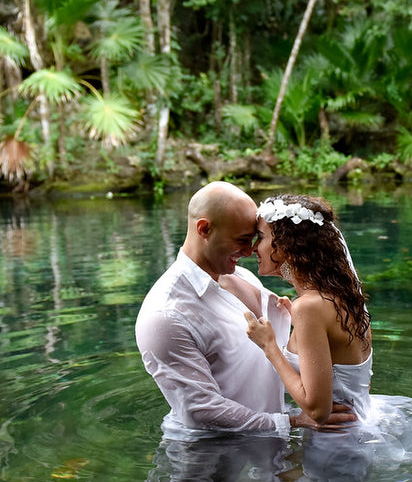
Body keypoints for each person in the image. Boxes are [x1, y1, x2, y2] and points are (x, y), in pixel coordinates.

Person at [242, 194, 412, 482]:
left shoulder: (310, 308)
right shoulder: (343, 296)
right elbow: (346, 364)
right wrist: (297, 320)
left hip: (336, 446)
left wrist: (270, 347)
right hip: (359, 428)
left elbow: (318, 410)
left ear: (289, 244)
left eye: (262, 238)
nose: (254, 248)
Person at [135, 181, 353, 439]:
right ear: (204, 229)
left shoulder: (245, 277)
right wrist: (292, 422)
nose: (250, 251)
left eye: (254, 239)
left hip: (270, 447)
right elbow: (200, 411)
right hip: (208, 459)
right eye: (242, 240)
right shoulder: (166, 314)